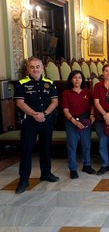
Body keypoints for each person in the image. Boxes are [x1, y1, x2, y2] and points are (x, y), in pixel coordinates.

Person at [13, 57, 59, 194]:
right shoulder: (22, 83)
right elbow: (20, 103)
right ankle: (24, 180)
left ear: (42, 68)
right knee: (26, 150)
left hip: (46, 120)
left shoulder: (49, 83)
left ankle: (46, 173)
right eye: (32, 67)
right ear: (28, 69)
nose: (35, 69)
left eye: (38, 66)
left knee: (46, 147)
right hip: (29, 122)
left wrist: (44, 114)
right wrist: (35, 114)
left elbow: (55, 102)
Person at [61, 70, 96, 179]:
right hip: (72, 122)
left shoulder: (87, 92)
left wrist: (92, 115)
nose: (77, 80)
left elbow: (92, 106)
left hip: (85, 121)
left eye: (79, 77)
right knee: (72, 146)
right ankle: (73, 169)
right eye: (75, 77)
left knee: (86, 145)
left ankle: (87, 165)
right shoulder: (66, 93)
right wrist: (75, 122)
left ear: (82, 79)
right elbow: (65, 110)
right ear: (71, 79)